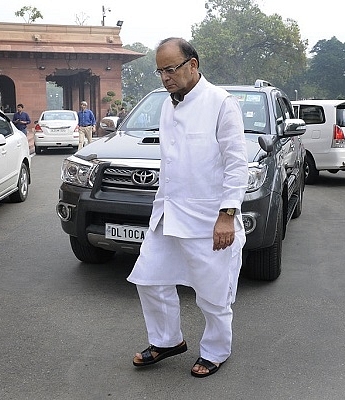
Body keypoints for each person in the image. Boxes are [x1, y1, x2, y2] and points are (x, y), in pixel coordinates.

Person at [127, 37, 248, 378]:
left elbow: (236, 163)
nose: (165, 77)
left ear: (193, 65)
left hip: (208, 216)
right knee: (149, 278)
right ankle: (167, 340)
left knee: (212, 292)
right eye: (160, 71)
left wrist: (227, 215)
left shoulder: (221, 103)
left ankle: (215, 350)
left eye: (171, 69)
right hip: (168, 212)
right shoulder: (169, 105)